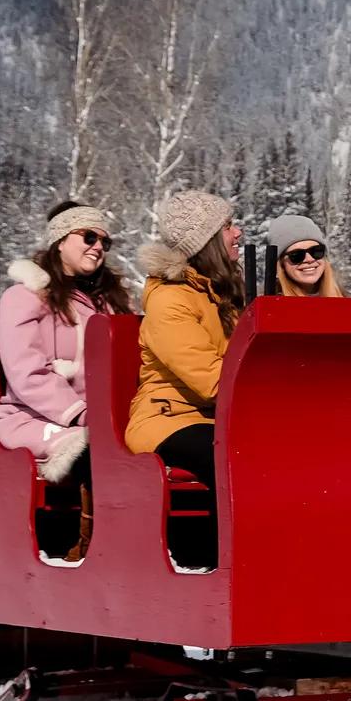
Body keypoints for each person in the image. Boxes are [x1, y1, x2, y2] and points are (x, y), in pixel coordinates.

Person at [0, 201, 131, 483]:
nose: (98, 247)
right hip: (32, 419)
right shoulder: (25, 297)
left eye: (105, 242)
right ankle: (93, 527)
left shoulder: (109, 303)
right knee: (99, 456)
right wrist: (80, 413)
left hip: (100, 419)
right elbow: (26, 373)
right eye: (89, 237)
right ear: (60, 241)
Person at [125, 189, 242, 493]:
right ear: (208, 241)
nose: (238, 232)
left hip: (215, 418)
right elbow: (213, 382)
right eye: (228, 226)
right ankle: (226, 542)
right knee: (231, 458)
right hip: (169, 418)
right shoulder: (170, 301)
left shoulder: (220, 293)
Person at [264, 213, 347, 297]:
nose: (309, 259)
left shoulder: (347, 302)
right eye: (297, 255)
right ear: (282, 264)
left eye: (316, 251)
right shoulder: (269, 306)